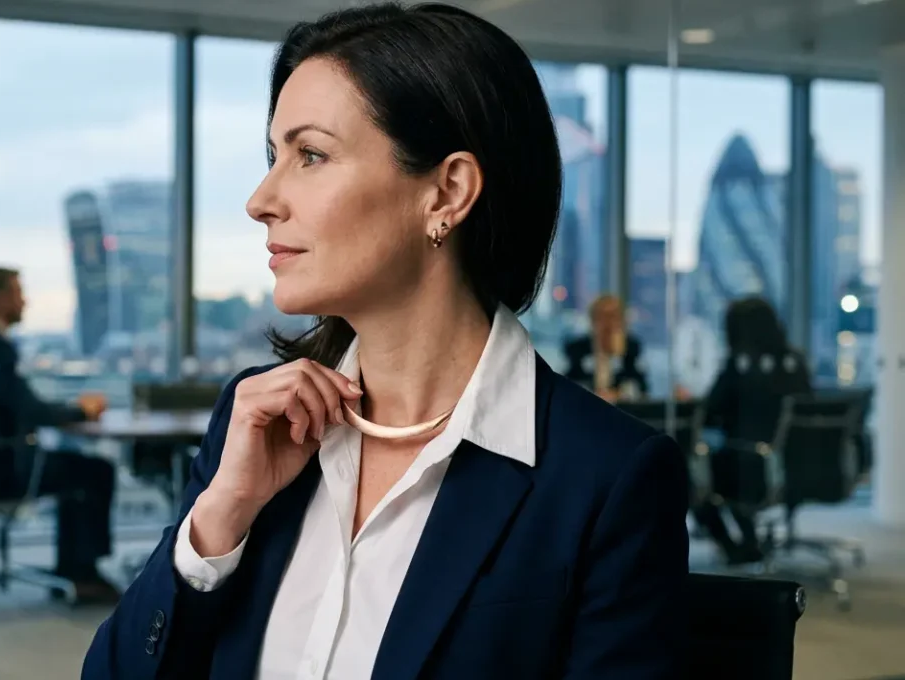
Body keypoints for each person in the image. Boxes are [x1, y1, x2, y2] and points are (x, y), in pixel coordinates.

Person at [84, 4, 687, 679]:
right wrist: (219, 520)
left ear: (446, 193)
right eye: (273, 156)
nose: (261, 198)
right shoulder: (255, 422)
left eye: (310, 155)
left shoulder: (604, 480)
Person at [0, 267, 119, 602]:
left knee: (78, 472)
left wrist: (72, 410)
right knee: (95, 472)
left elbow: (18, 403)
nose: (25, 301)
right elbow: (28, 410)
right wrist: (80, 411)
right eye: (18, 293)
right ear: (0, 299)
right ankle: (83, 574)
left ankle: (74, 569)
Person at [694, 296, 811, 565]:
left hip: (750, 466)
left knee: (693, 477)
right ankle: (749, 542)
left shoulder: (739, 366)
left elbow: (711, 410)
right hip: (796, 466)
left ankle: (736, 546)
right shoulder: (796, 362)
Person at [563, 294, 649, 402]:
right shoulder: (576, 348)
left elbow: (641, 389)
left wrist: (620, 394)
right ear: (592, 320)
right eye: (602, 316)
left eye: (614, 316)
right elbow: (568, 386)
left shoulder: (632, 348)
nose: (608, 323)